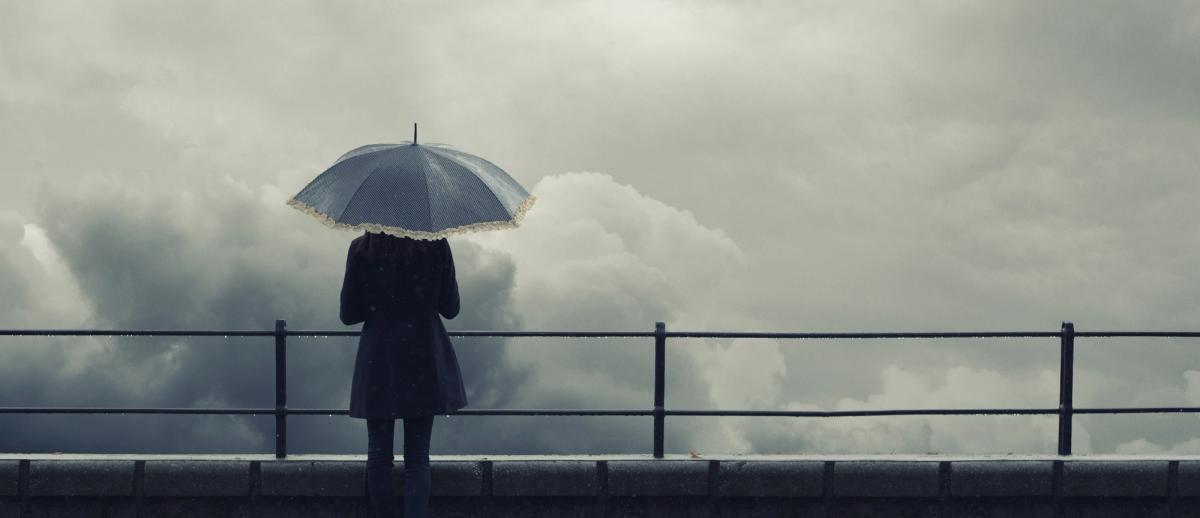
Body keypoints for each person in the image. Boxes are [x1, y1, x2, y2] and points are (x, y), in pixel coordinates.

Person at [340, 231, 469, 518]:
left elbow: (348, 314)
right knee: (417, 457)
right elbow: (451, 308)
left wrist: (379, 298)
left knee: (378, 454)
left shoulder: (362, 249)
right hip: (422, 356)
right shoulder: (435, 246)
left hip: (380, 359)